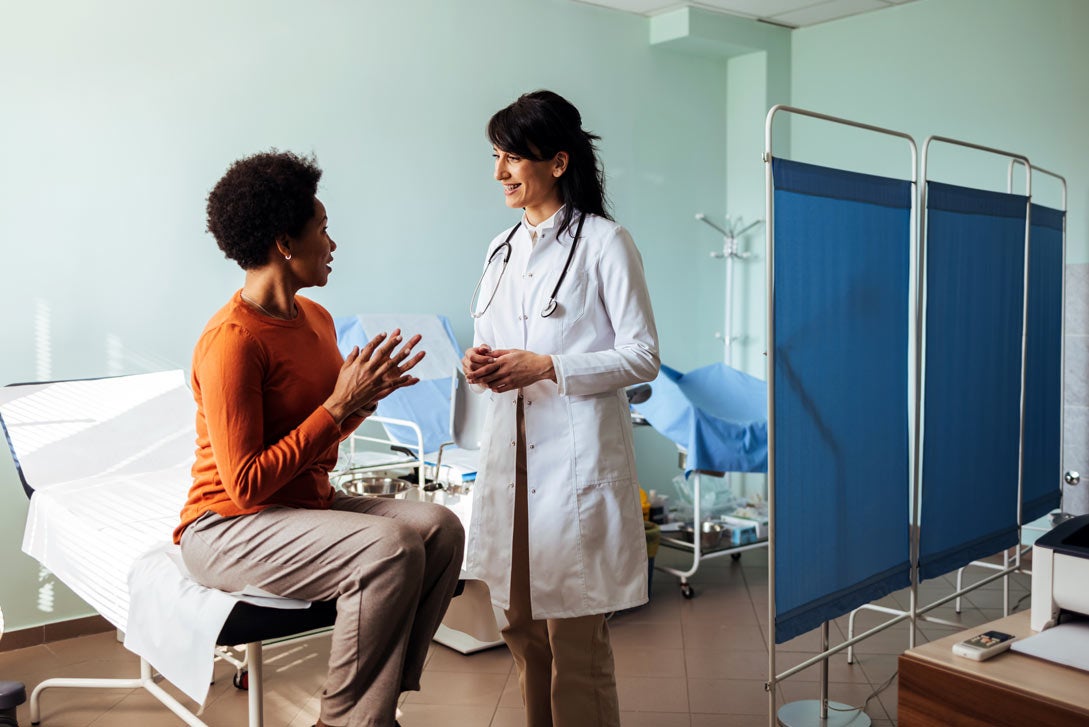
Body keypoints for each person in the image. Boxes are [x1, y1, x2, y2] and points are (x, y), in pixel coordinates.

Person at [174, 150, 464, 727]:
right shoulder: (232, 340)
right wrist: (337, 405)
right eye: (323, 228)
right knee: (389, 546)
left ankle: (375, 706)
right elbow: (248, 483)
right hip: (226, 526)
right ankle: (346, 719)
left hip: (302, 505)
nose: (332, 242)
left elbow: (321, 444)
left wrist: (359, 400)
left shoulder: (317, 319)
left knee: (438, 528)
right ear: (286, 241)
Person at [462, 91, 660, 727]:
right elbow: (493, 340)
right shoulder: (499, 250)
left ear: (557, 161)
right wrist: (478, 365)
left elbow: (643, 355)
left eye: (513, 158)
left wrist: (549, 367)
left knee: (576, 643)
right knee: (520, 630)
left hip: (573, 468)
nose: (500, 173)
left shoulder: (606, 243)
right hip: (510, 464)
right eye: (496, 157)